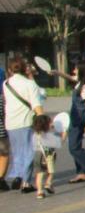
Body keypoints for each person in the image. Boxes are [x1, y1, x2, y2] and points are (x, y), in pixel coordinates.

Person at [3, 57, 44, 192]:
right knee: (29, 152)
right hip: (25, 121)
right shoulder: (29, 84)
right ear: (25, 68)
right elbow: (36, 105)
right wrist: (44, 121)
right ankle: (26, 183)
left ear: (10, 69)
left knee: (18, 152)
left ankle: (18, 176)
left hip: (10, 122)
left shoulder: (6, 83)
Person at [31, 114, 59, 199]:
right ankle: (48, 183)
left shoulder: (35, 134)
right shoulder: (48, 135)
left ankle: (39, 192)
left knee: (39, 174)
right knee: (51, 171)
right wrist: (63, 133)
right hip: (47, 155)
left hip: (37, 155)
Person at [0, 84, 9, 192]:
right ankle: (1, 179)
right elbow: (4, 114)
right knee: (4, 154)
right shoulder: (2, 99)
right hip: (1, 131)